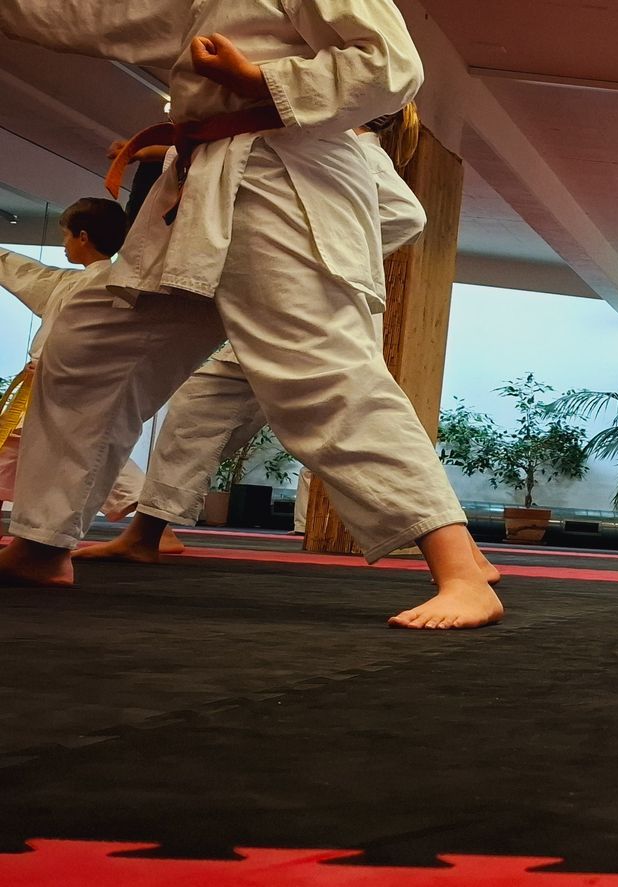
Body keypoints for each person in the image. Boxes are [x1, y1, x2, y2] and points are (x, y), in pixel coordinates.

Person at [0, 1, 501, 630]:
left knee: (320, 379)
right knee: (89, 345)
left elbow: (392, 64)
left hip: (281, 181)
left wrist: (260, 81)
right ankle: (42, 544)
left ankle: (460, 570)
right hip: (197, 190)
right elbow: (102, 15)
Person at [0, 198, 147, 526]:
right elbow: (28, 274)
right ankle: (146, 513)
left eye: (66, 236)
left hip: (63, 380)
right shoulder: (80, 281)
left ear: (83, 237)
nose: (63, 244)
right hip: (50, 378)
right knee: (76, 448)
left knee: (80, 448)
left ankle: (145, 511)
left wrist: (53, 364)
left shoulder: (108, 282)